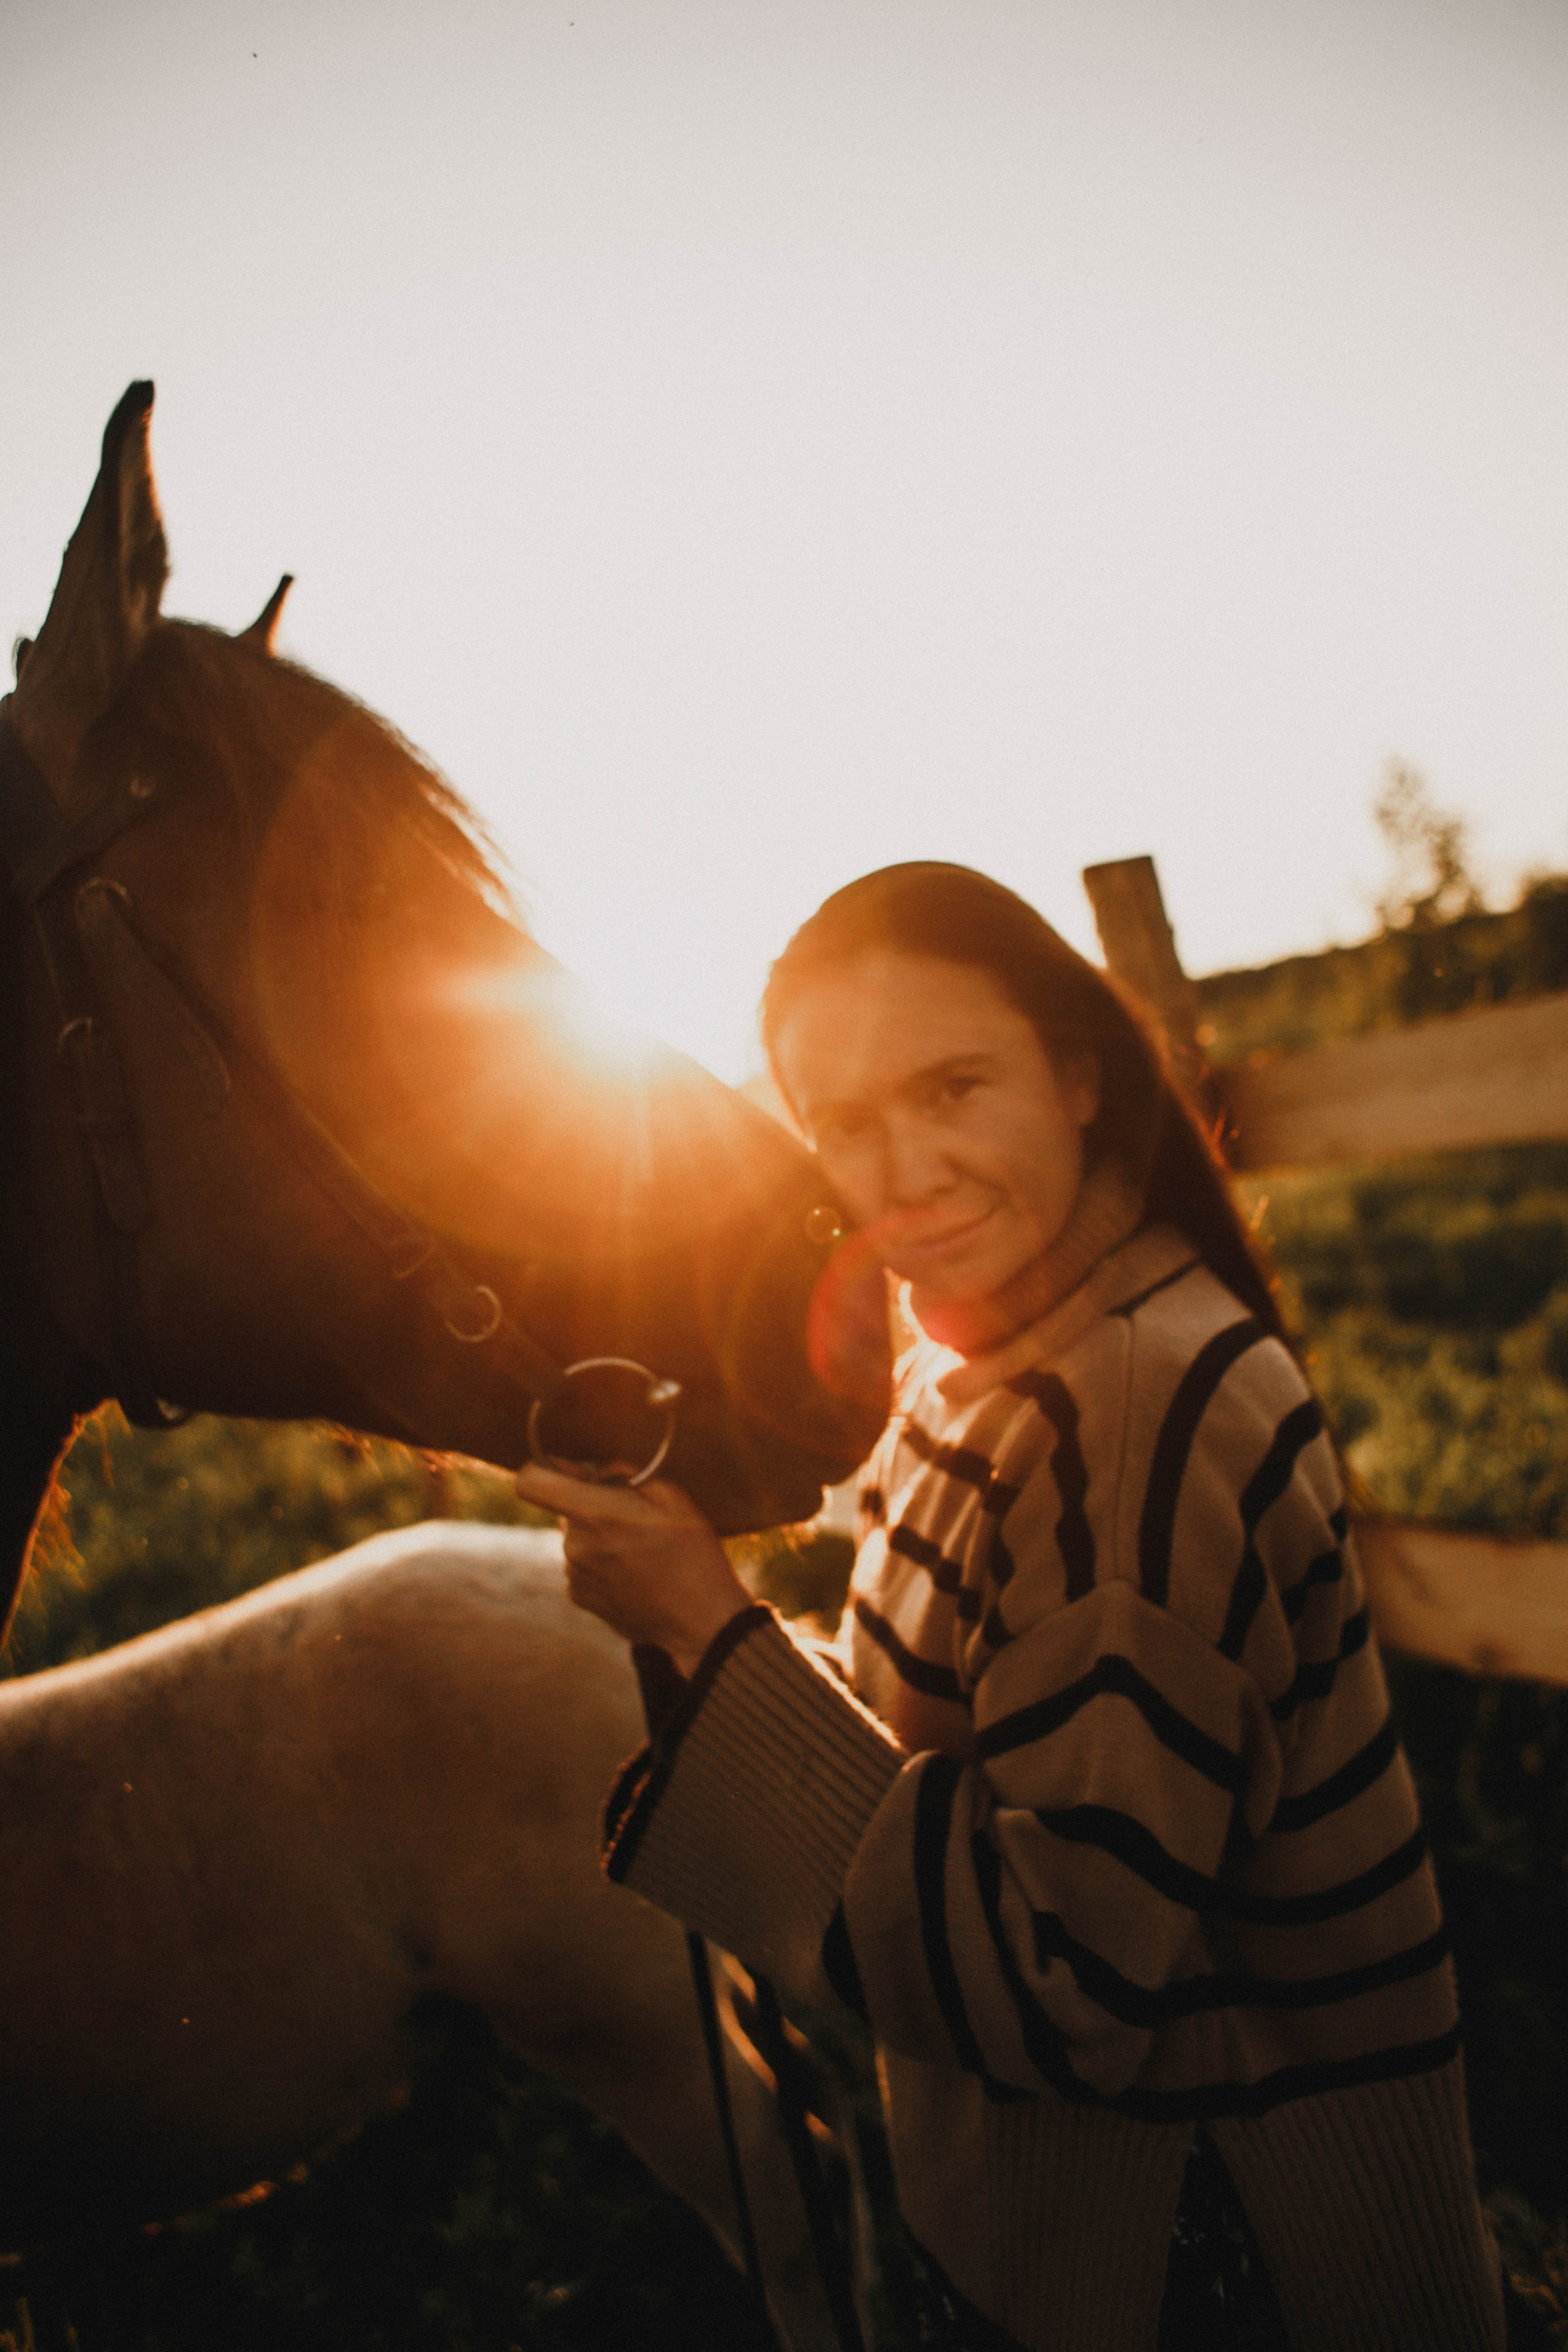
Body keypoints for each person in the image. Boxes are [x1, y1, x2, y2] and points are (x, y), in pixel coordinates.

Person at [516, 862, 1506, 2352]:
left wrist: (702, 1634)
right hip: (1082, 2239)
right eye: (838, 1121)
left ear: (1081, 1076)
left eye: (953, 1086)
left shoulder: (1127, 1405)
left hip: (1218, 2266)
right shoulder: (979, 1353)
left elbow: (1063, 1987)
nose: (897, 1171)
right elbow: (942, 1774)